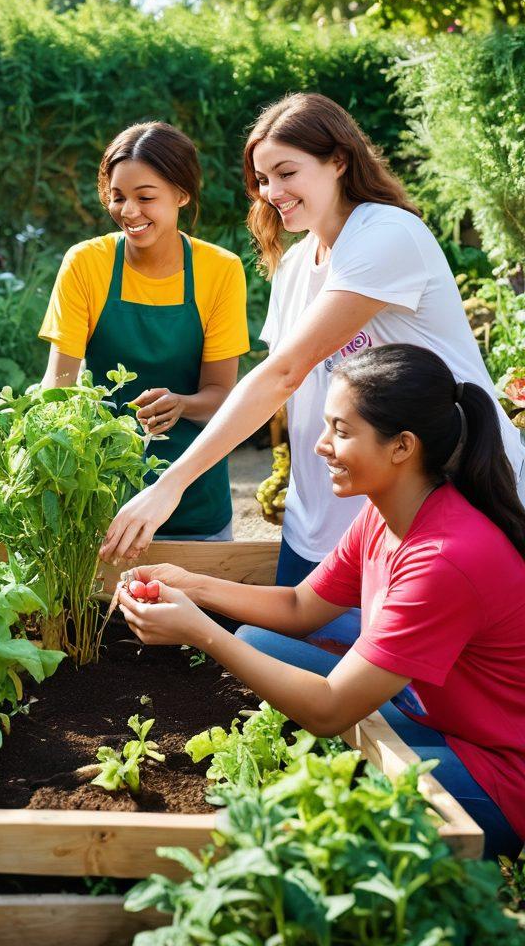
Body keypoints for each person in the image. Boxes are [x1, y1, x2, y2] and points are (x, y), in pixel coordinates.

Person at [116, 344, 525, 860]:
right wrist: (191, 583)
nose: (320, 446)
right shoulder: (388, 512)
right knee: (260, 642)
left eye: (342, 431)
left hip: (500, 774)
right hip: (438, 718)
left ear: (402, 447)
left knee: (331, 813)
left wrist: (201, 631)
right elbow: (299, 607)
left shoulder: (445, 559)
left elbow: (330, 711)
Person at [102, 94, 525, 586]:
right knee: (272, 648)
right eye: (261, 179)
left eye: (286, 172)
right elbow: (284, 390)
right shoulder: (298, 263)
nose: (270, 191)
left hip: (435, 515)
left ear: (339, 161)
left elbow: (284, 373)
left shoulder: (386, 234)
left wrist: (171, 484)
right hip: (321, 528)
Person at [39, 121, 248, 539]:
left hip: (193, 496)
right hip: (97, 499)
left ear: (181, 195)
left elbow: (223, 396)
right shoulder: (86, 263)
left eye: (145, 197)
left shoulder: (220, 270)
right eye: (117, 197)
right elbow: (58, 386)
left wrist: (183, 404)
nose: (128, 211)